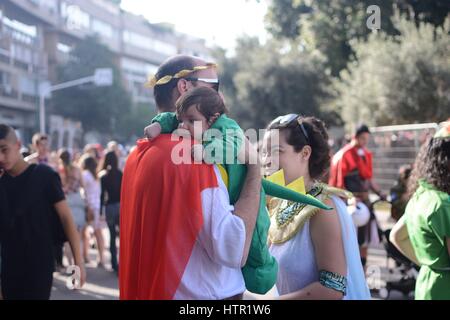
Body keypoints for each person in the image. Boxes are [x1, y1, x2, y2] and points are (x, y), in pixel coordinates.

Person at [262, 114, 370, 299]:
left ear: (305, 153)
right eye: (264, 152)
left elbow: (333, 288)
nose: (266, 160)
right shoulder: (278, 202)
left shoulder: (323, 208)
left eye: (276, 151)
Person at [0, 124, 85, 299]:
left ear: (18, 145)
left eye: (4, 149)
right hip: (8, 266)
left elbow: (66, 219)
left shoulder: (44, 175)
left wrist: (78, 264)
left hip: (40, 265)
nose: (1, 157)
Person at [390, 123, 450, 300]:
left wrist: (430, 264)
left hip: (427, 283)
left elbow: (396, 236)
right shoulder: (444, 204)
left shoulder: (421, 195)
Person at [329, 124, 385, 268]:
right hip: (351, 205)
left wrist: (380, 192)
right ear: (355, 136)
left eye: (367, 138)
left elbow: (369, 179)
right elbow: (339, 183)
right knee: (348, 242)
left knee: (364, 241)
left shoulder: (366, 154)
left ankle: (363, 276)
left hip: (365, 203)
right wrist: (349, 199)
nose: (365, 141)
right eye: (362, 138)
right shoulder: (344, 155)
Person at [58, 149, 85, 266]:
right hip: (77, 200)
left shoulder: (60, 171)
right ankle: (78, 262)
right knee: (78, 235)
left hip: (65, 201)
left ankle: (71, 264)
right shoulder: (77, 169)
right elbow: (83, 185)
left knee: (68, 236)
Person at [80, 154, 105, 267]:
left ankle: (84, 256)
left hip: (88, 207)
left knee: (84, 233)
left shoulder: (85, 175)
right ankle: (101, 258)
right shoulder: (96, 175)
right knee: (97, 233)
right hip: (97, 206)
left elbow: (84, 191)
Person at [99, 151, 122, 273]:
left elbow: (102, 195)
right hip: (120, 206)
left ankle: (114, 263)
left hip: (109, 208)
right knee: (121, 237)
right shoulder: (120, 174)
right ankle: (122, 261)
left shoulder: (104, 176)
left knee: (112, 237)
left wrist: (100, 211)